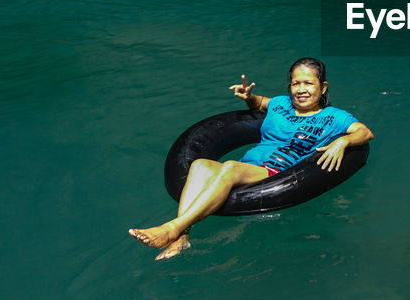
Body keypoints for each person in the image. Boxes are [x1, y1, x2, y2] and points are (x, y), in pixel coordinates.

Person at [128, 57, 373, 260]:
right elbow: (261, 103)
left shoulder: (334, 117)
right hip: (251, 165)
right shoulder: (281, 104)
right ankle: (182, 238)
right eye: (295, 83)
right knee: (200, 164)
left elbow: (365, 132)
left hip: (276, 171)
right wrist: (249, 98)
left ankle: (173, 227)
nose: (301, 89)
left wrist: (342, 141)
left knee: (231, 167)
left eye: (308, 83)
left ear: (323, 87)